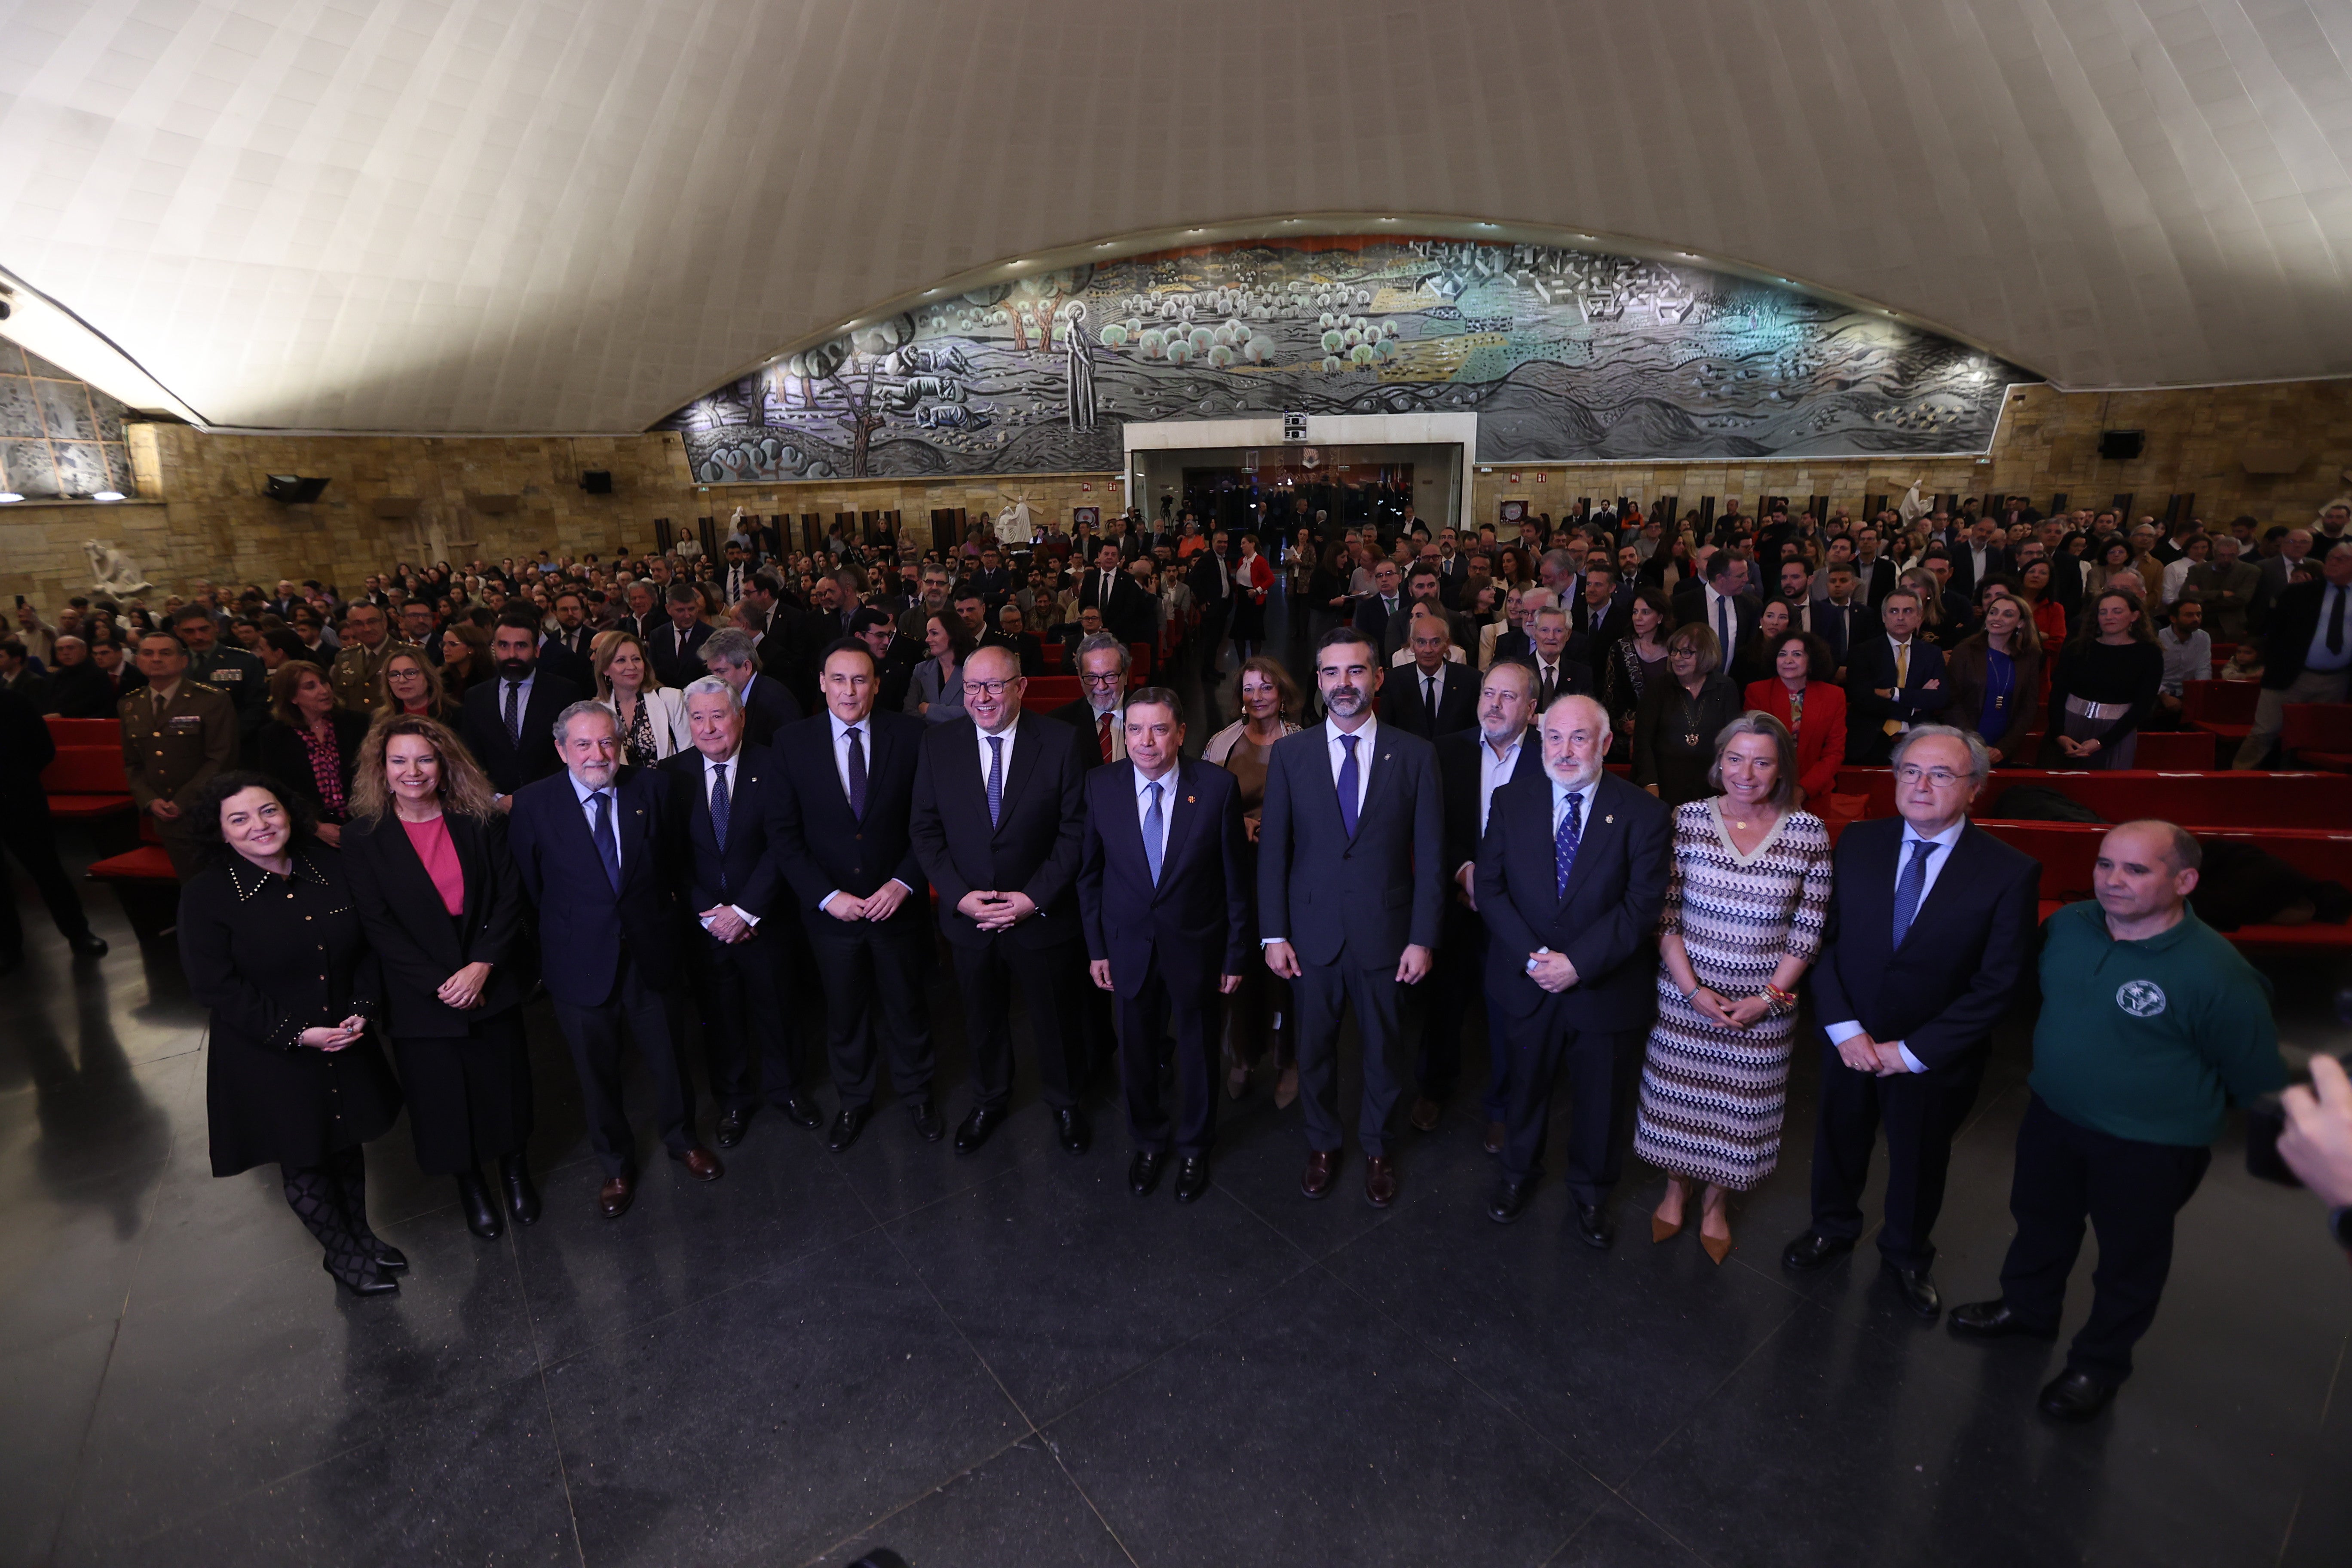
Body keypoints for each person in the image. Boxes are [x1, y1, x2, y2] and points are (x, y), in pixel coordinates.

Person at [1945, 820, 2288, 1423]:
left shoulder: (2217, 973)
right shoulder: (2069, 928)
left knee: (2129, 1260)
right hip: (2055, 1114)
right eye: (2106, 865)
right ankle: (2028, 1310)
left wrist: (2170, 1106)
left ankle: (2097, 1365)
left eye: (2136, 869)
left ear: (2184, 881)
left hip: (2150, 1146)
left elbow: (2257, 1078)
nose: (2113, 881)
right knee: (2040, 1223)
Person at [1783, 726, 2041, 1319]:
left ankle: (1904, 1255)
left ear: (1975, 788)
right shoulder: (1857, 843)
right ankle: (1832, 1226)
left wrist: (1915, 1051)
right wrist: (1845, 1029)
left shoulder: (2009, 871)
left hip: (1933, 1056)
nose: (1920, 785)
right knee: (1839, 1138)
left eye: (1940, 775)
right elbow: (1822, 941)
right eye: (1909, 771)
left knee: (1920, 1158)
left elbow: (1999, 983)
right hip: (1852, 1040)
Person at [178, 772, 404, 1296]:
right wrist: (299, 1034)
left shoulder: (328, 866)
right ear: (222, 834)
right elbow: (215, 987)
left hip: (344, 1034)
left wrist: (363, 1009)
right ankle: (342, 1255)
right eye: (239, 819)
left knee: (346, 1145)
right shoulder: (206, 896)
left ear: (289, 812)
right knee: (304, 1158)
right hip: (272, 1051)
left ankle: (362, 1238)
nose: (259, 826)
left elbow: (370, 944)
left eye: (269, 811)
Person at [1632, 713, 1832, 1262]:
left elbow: (1808, 930)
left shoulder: (1808, 832)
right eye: (1736, 759)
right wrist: (1694, 991)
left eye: (1763, 761)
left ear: (1780, 769)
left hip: (1764, 1007)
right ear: (1719, 764)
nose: (1747, 772)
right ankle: (1676, 1189)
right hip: (1685, 999)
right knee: (1681, 1105)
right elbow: (1665, 918)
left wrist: (1768, 999)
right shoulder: (1688, 820)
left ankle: (1716, 1204)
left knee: (1739, 1114)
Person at [508, 702, 720, 1218]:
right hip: (579, 960)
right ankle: (617, 1165)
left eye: (607, 742)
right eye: (583, 744)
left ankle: (682, 1138)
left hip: (651, 951)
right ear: (561, 749)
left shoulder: (652, 788)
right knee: (595, 1071)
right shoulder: (534, 804)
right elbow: (531, 890)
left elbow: (673, 865)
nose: (597, 754)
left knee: (669, 1055)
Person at [1257, 627, 1443, 1208]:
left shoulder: (1415, 755)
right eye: (1332, 673)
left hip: (1387, 937)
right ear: (1318, 682)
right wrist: (1273, 932)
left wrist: (1423, 938)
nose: (1344, 684)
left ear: (1378, 678)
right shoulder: (1290, 755)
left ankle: (1379, 1148)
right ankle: (1322, 1144)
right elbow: (1275, 853)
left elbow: (1433, 858)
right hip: (1310, 936)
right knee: (1313, 1050)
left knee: (1385, 1053)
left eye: (1356, 671)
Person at [1479, 695, 1673, 1243]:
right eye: (1555, 737)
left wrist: (1577, 965)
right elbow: (1490, 891)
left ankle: (1591, 1194)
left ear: (1606, 744)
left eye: (1580, 738)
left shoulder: (1645, 813)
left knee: (1600, 1102)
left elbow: (1641, 908)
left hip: (1603, 988)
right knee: (1525, 1089)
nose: (1565, 751)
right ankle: (1517, 1176)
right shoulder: (1512, 799)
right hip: (1527, 981)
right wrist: (1536, 961)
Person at [340, 716, 538, 1240]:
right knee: (443, 1101)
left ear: (444, 765)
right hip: (419, 992)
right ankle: (471, 1186)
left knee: (506, 1086)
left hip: (486, 973)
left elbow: (507, 896)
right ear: (381, 771)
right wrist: (440, 983)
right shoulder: (362, 837)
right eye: (399, 760)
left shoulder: (480, 820)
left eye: (424, 759)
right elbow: (376, 924)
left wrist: (481, 966)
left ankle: (516, 1172)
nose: (413, 771)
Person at [909, 645, 1091, 1157]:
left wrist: (1033, 897)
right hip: (970, 918)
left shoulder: (1060, 742)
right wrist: (959, 897)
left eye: (994, 686)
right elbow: (924, 831)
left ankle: (1065, 1101)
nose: (982, 698)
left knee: (1055, 1017)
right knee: (980, 1016)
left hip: (1040, 913)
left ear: (1021, 687)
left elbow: (1076, 832)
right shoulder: (938, 745)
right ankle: (990, 1098)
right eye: (972, 687)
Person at [1077, 687, 1249, 1203]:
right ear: (1122, 733)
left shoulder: (1217, 789)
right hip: (1127, 949)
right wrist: (1097, 949)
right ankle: (1149, 1141)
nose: (1145, 742)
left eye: (1158, 729)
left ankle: (1196, 1145)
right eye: (1135, 730)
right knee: (1135, 1052)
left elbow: (1235, 881)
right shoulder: (1100, 786)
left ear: (1181, 733)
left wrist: (1236, 953)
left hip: (1196, 948)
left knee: (1197, 1052)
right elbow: (1089, 878)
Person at [772, 640, 941, 1152]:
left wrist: (904, 882)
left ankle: (918, 1094)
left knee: (907, 1006)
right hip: (832, 915)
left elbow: (929, 824)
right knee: (844, 1013)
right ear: (822, 683)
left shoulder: (912, 736)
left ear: (877, 684)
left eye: (861, 680)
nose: (850, 690)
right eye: (839, 680)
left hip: (898, 905)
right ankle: (855, 1098)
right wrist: (827, 897)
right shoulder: (791, 742)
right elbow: (784, 834)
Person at [661, 677, 821, 1148]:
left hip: (766, 919)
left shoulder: (775, 766)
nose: (709, 727)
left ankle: (788, 1091)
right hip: (706, 926)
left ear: (741, 717)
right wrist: (709, 913)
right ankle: (733, 1100)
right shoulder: (671, 777)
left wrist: (747, 910)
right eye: (698, 718)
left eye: (719, 715)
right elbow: (670, 857)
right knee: (719, 1016)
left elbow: (785, 844)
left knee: (778, 1009)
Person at [1422, 659, 1539, 1149]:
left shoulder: (1547, 757)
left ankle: (1503, 1105)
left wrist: (1497, 887)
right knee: (1442, 1000)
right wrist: (1465, 872)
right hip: (1456, 898)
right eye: (1489, 693)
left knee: (1509, 1009)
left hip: (1519, 908)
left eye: (1508, 697)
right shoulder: (1446, 751)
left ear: (1532, 709)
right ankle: (1433, 1087)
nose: (1494, 703)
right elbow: (1431, 829)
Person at [1202, 657, 1304, 1105]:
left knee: (1286, 972)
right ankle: (1244, 1055)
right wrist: (1238, 825)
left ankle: (1289, 1061)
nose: (1257, 696)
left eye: (1266, 688)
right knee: (1240, 965)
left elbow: (1319, 809)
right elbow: (1204, 808)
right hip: (1237, 872)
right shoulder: (1222, 743)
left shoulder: (1303, 742)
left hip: (1290, 873)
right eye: (1249, 689)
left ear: (1283, 694)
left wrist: (1274, 829)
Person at [0, 685, 106, 972]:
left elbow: (43, 749)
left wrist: (15, 779)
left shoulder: (12, 700)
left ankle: (79, 933)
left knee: (47, 870)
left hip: (19, 799)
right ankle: (8, 947)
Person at [121, 631, 238, 879]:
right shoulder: (130, 704)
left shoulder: (210, 700)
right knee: (192, 887)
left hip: (208, 811)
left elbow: (221, 757)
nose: (156, 659)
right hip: (166, 816)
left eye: (166, 653)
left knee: (226, 885)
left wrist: (183, 801)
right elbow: (133, 762)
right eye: (148, 653)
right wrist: (150, 800)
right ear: (137, 661)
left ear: (183, 661)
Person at [2233, 541, 2352, 768]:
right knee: (2265, 732)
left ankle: (2295, 785)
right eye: (2330, 558)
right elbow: (2273, 630)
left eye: (2341, 559)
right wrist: (2272, 663)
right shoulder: (2301, 593)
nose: (2332, 563)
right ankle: (2238, 777)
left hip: (2337, 679)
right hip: (2290, 674)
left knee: (2315, 739)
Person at [457, 610, 588, 804]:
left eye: (521, 646)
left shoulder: (564, 692)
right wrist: (497, 799)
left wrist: (532, 798)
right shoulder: (475, 697)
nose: (512, 655)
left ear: (536, 651)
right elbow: (471, 757)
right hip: (495, 808)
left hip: (552, 801)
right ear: (494, 648)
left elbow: (572, 752)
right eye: (504, 646)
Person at [2045, 587, 2163, 769]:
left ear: (2134, 616)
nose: (2109, 617)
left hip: (2116, 733)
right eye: (2103, 612)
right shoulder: (2078, 648)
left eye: (2117, 611)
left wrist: (2103, 742)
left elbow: (2144, 705)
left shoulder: (2150, 654)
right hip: (2069, 727)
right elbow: (2058, 692)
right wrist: (2058, 733)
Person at [1632, 623, 1744, 809]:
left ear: (1706, 655)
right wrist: (1650, 784)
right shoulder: (1658, 687)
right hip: (1662, 785)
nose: (1677, 658)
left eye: (1687, 653)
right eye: (1675, 651)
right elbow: (1643, 742)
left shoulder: (1726, 688)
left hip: (1710, 787)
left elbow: (1732, 742)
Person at [257, 661, 368, 845]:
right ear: (292, 697)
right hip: (308, 833)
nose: (324, 691)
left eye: (324, 683)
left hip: (363, 825)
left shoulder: (358, 723)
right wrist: (315, 827)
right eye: (311, 687)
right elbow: (277, 790)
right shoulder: (274, 736)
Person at [1842, 588, 1949, 764]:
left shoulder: (1932, 654)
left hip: (1919, 740)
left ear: (1919, 616)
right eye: (1894, 611)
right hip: (1871, 741)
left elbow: (1939, 698)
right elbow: (1863, 698)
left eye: (1908, 611)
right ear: (1884, 617)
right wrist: (1915, 703)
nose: (1900, 617)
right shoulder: (1863, 652)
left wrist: (1893, 694)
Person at [1742, 630, 1847, 806]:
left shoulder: (1834, 696)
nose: (1788, 660)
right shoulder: (1757, 692)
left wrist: (1804, 789)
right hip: (1766, 790)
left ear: (1812, 661)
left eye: (1797, 654)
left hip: (1815, 793)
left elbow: (1834, 753)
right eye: (1782, 654)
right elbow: (1751, 747)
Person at [1944, 591, 2044, 766]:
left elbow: (2028, 707)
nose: (1997, 618)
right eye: (1993, 612)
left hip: (2003, 748)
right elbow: (1952, 701)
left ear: (2021, 623)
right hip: (1964, 741)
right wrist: (1974, 743)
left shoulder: (2029, 656)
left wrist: (2004, 748)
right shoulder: (1965, 650)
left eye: (2008, 614)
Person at [591, 628, 690, 766]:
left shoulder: (671, 699)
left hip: (667, 784)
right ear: (605, 670)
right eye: (621, 661)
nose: (631, 666)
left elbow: (689, 755)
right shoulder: (597, 711)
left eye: (636, 659)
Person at [698, 625, 801, 747]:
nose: (714, 680)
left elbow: (791, 752)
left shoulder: (776, 702)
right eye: (712, 672)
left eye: (721, 672)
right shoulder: (733, 696)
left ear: (747, 667)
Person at [1382, 614, 1478, 739]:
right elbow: (1387, 733)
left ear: (1446, 644)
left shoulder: (1470, 680)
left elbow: (1475, 734)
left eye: (1436, 642)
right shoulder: (1393, 681)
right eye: (1421, 642)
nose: (1428, 650)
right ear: (1412, 644)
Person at [1053, 632, 1130, 767]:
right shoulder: (1060, 724)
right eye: (1092, 677)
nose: (1101, 687)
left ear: (1125, 675)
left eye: (1110, 676)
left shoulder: (1152, 717)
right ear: (1079, 676)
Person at [327, 601, 413, 711]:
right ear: (351, 627)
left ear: (384, 622)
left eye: (372, 622)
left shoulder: (409, 653)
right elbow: (339, 699)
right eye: (358, 624)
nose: (367, 629)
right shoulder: (345, 657)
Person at [2153, 593, 2211, 726]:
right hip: (2158, 691)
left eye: (2199, 615)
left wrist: (2199, 694)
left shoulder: (2203, 637)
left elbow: (2204, 669)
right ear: (2173, 619)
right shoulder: (2157, 638)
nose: (2196, 619)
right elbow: (2149, 673)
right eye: (2189, 615)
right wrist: (2164, 696)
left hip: (2188, 692)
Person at [905, 609, 972, 724]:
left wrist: (928, 709)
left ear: (953, 634)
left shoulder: (974, 670)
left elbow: (973, 713)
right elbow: (909, 712)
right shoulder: (921, 670)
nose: (927, 640)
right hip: (927, 738)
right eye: (928, 634)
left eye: (934, 633)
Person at [1228, 533, 1275, 661]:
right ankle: (1242, 663)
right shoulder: (1241, 561)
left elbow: (1271, 579)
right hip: (1242, 601)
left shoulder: (1260, 561)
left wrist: (1257, 591)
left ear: (1252, 544)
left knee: (1255, 634)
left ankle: (1254, 663)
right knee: (1239, 634)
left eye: (1244, 543)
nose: (1241, 546)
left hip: (1255, 602)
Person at [379, 646, 456, 723]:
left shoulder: (454, 715)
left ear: (428, 678)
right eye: (394, 675)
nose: (402, 680)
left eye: (411, 673)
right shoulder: (382, 719)